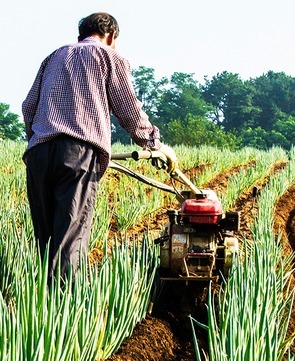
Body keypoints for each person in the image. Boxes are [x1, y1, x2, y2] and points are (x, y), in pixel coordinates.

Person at [22, 12, 178, 281]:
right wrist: (154, 144)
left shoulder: (54, 56)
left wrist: (39, 138)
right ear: (111, 37)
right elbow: (128, 108)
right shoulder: (109, 56)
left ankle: (43, 306)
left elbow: (28, 107)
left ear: (80, 36)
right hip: (79, 153)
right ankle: (66, 310)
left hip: (38, 152)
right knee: (70, 236)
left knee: (45, 240)